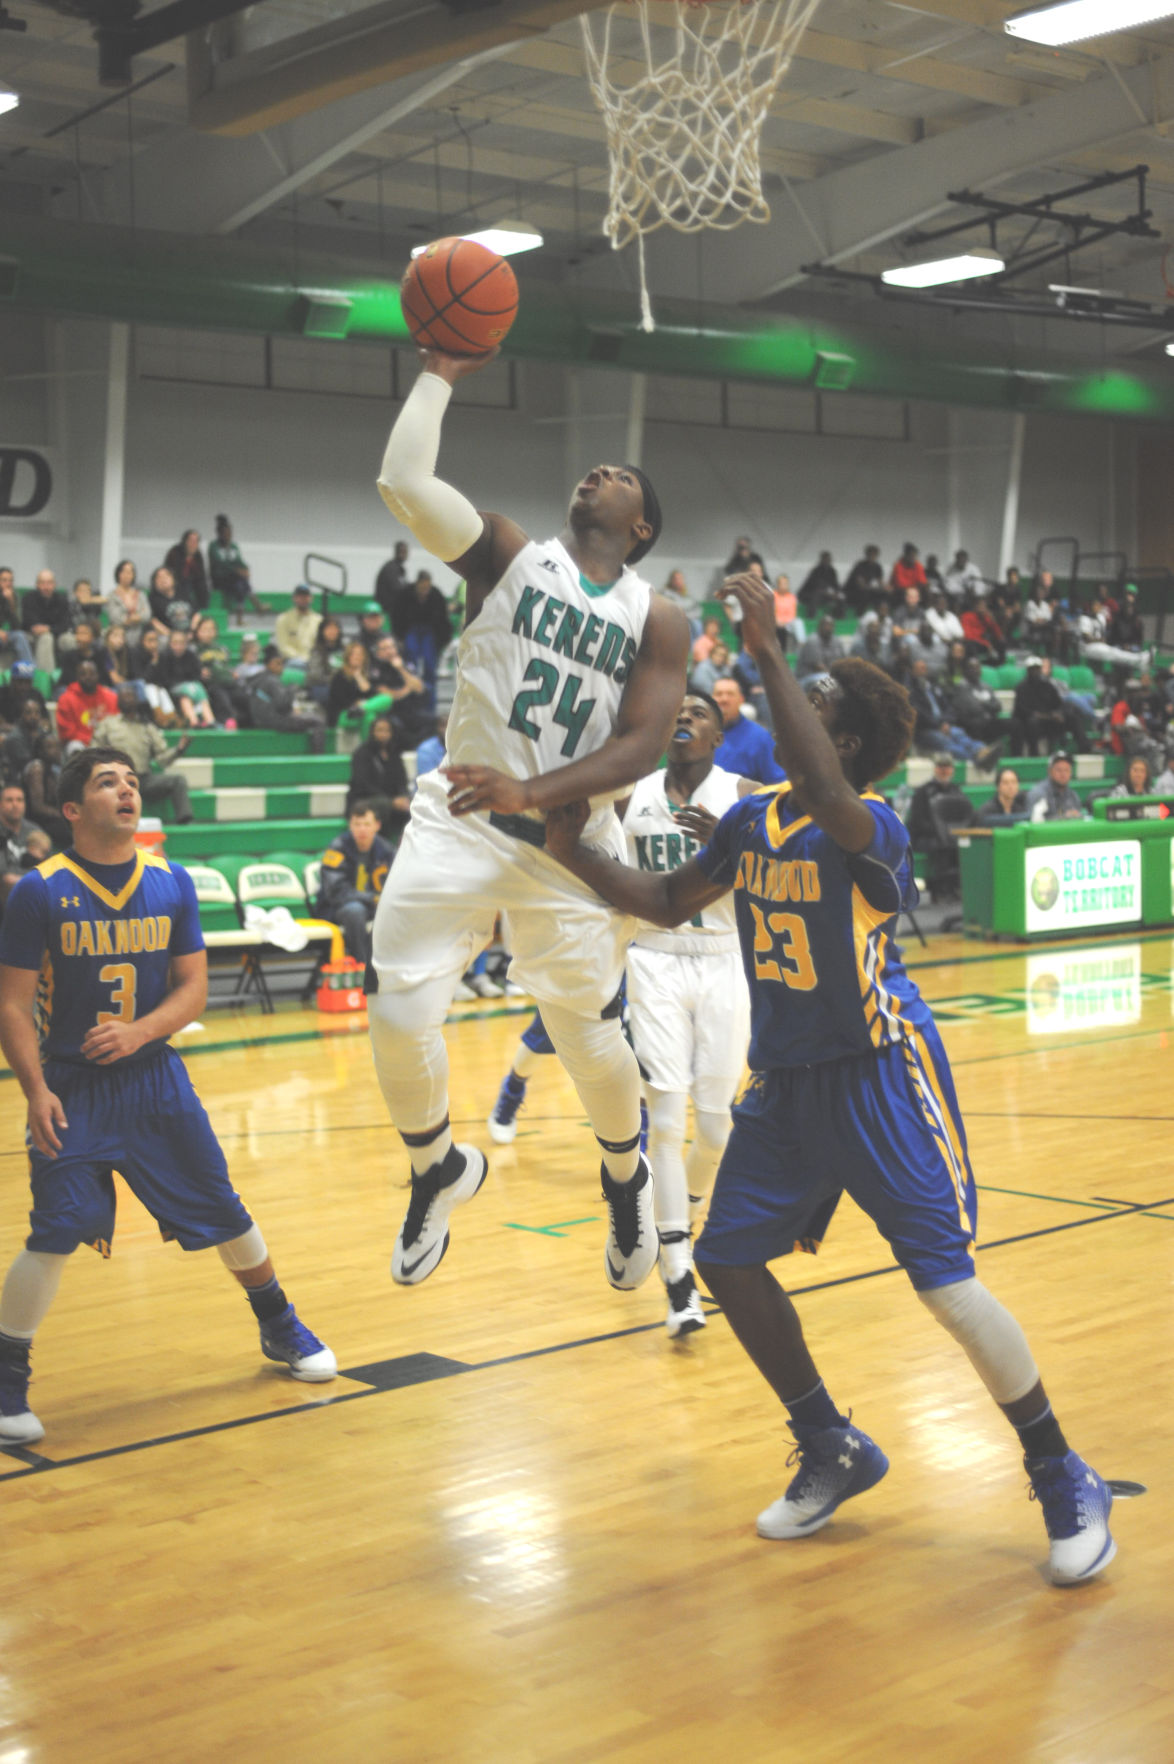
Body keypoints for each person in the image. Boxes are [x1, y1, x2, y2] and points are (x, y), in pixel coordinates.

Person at [543, 573, 1116, 1587]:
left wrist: (765, 648)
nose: (787, 699)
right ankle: (830, 1444)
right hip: (787, 1084)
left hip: (881, 1076)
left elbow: (836, 802)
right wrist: (570, 849)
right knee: (724, 1259)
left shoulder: (873, 831)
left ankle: (1059, 1467)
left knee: (944, 1285)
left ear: (840, 743)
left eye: (813, 702)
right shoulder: (752, 820)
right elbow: (669, 901)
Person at [369, 344, 689, 1293]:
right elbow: (403, 478)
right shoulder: (510, 553)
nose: (598, 472)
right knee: (397, 1010)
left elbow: (642, 748)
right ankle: (437, 1170)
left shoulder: (657, 615)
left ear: (639, 527)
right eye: (596, 468)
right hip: (462, 817)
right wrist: (440, 372)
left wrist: (536, 796)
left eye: (620, 476)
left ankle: (625, 1179)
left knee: (591, 1036)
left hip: (567, 846)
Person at [0, 746, 336, 1447]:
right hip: (71, 1085)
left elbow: (193, 988)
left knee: (221, 1206)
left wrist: (140, 1032)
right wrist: (33, 1091)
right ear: (71, 810)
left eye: (130, 780)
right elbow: (12, 1003)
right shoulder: (37, 890)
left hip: (155, 1079)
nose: (127, 790)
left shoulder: (172, 881)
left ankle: (280, 1326)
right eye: (106, 783)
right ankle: (6, 1378)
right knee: (59, 1227)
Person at [619, 688, 753, 1336]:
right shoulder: (631, 794)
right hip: (654, 957)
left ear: (718, 737)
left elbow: (781, 870)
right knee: (666, 1122)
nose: (684, 719)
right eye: (676, 711)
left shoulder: (745, 795)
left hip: (726, 959)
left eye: (699, 713)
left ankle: (689, 1205)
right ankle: (677, 1274)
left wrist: (733, 848)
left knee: (719, 1128)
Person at [94, 686, 194, 824]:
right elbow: (94, 752)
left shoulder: (147, 727)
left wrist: (179, 750)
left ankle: (184, 821)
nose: (127, 699)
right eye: (124, 696)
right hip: (115, 779)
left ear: (137, 701)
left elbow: (162, 759)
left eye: (130, 696)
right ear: (118, 701)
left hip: (143, 780)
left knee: (178, 780)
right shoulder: (108, 724)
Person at [316, 801, 394, 963]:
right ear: (350, 826)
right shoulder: (337, 848)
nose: (362, 829)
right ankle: (363, 965)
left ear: (377, 826)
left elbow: (395, 884)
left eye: (367, 824)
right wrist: (371, 899)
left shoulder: (386, 850)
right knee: (355, 911)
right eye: (357, 824)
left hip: (373, 905)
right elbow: (336, 892)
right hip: (336, 907)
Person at [390, 568, 453, 706]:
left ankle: (429, 703)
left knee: (430, 666)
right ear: (417, 584)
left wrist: (442, 642)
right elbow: (397, 616)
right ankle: (411, 700)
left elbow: (443, 620)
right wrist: (399, 637)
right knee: (410, 663)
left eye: (427, 587)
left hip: (429, 633)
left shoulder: (436, 595)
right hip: (411, 630)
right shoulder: (405, 594)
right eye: (422, 586)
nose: (425, 590)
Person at [249, 646, 326, 751]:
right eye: (277, 663)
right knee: (318, 721)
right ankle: (318, 758)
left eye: (282, 663)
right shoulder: (272, 680)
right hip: (274, 721)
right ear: (268, 665)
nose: (281, 667)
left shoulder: (260, 678)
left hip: (262, 720)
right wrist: (292, 689)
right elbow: (283, 704)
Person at [347, 713, 411, 837]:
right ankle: (382, 842)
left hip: (392, 799)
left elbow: (402, 779)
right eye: (379, 730)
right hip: (364, 799)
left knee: (414, 804)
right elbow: (362, 784)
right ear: (372, 732)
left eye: (387, 730)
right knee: (382, 805)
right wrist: (391, 801)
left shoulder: (394, 753)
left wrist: (403, 796)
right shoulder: (362, 753)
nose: (383, 734)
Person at [710, 678, 784, 785]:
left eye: (730, 694)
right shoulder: (701, 735)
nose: (724, 699)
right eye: (719, 694)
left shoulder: (760, 738)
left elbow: (777, 784)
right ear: (711, 699)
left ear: (741, 699)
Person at [208, 515, 265, 621]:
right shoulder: (214, 546)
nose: (228, 536)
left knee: (241, 585)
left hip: (235, 580)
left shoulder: (234, 547)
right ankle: (256, 605)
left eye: (230, 533)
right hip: (220, 579)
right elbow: (220, 563)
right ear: (219, 534)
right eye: (225, 534)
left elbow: (239, 561)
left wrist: (245, 569)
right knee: (241, 581)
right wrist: (237, 571)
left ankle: (240, 617)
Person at [55, 660, 117, 754]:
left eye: (92, 674)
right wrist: (93, 742)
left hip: (107, 743)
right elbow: (67, 733)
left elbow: (116, 725)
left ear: (98, 675)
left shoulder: (111, 697)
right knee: (74, 747)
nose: (88, 677)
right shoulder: (66, 700)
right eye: (83, 674)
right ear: (77, 677)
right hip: (82, 745)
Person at [1010, 658, 1068, 758]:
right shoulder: (1021, 687)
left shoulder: (1047, 685)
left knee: (1070, 717)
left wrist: (1057, 713)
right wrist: (1043, 716)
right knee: (1032, 722)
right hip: (1028, 721)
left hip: (1047, 719)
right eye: (1032, 669)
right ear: (1028, 670)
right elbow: (1022, 710)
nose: (1035, 672)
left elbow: (1058, 703)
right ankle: (1034, 753)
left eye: (1037, 669)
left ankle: (1083, 748)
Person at [20, 570, 71, 674]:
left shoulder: (62, 600)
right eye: (42, 583)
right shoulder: (29, 598)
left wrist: (49, 629)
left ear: (55, 584)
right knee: (46, 638)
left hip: (56, 633)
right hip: (32, 634)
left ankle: (72, 676)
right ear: (37, 584)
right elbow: (29, 621)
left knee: (71, 640)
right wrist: (46, 629)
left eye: (49, 583)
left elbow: (65, 624)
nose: (46, 587)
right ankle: (45, 677)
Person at [0, 782, 39, 909]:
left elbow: (48, 868)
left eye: (19, 800)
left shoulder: (35, 831)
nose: (15, 805)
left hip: (31, 897)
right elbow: (5, 878)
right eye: (9, 800)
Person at [326, 639, 378, 728]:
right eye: (354, 654)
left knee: (386, 699)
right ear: (348, 656)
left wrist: (358, 676)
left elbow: (373, 696)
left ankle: (362, 710)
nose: (357, 657)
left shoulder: (367, 676)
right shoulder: (340, 676)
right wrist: (357, 704)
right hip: (343, 714)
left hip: (362, 712)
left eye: (360, 654)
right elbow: (340, 701)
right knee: (369, 717)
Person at [1026, 751, 1085, 822]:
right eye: (1059, 770)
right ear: (1050, 771)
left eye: (1066, 770)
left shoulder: (1073, 795)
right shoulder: (1038, 793)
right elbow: (1035, 821)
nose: (1063, 774)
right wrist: (1064, 817)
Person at [274, 584, 321, 669]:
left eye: (306, 596)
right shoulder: (283, 619)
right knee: (296, 664)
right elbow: (283, 647)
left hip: (314, 661)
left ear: (311, 598)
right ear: (294, 598)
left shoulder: (319, 620)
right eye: (300, 596)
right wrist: (302, 658)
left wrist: (312, 659)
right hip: (292, 660)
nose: (303, 599)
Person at [107, 560, 152, 648]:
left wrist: (138, 617)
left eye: (130, 572)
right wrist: (131, 619)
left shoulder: (140, 594)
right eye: (124, 571)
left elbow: (147, 614)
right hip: (119, 633)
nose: (127, 575)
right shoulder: (112, 595)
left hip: (139, 633)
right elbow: (115, 617)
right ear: (118, 574)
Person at [163, 530, 209, 614]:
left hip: (193, 581)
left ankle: (202, 610)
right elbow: (171, 572)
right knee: (185, 586)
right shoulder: (174, 552)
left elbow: (201, 574)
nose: (193, 544)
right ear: (185, 541)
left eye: (196, 541)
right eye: (191, 541)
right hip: (177, 580)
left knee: (203, 586)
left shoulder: (198, 555)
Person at [796, 615, 846, 683]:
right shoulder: (812, 641)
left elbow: (843, 661)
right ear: (819, 627)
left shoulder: (836, 641)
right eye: (826, 625)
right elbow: (818, 666)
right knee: (826, 679)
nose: (828, 628)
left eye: (831, 626)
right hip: (807, 677)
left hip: (828, 675)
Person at [375, 539, 411, 621]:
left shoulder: (399, 569)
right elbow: (397, 588)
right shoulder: (391, 568)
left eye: (405, 552)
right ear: (396, 552)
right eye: (401, 551)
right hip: (387, 608)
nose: (404, 554)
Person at [843, 544, 884, 613]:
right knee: (865, 594)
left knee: (882, 594)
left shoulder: (877, 567)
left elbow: (880, 582)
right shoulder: (860, 565)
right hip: (854, 591)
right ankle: (860, 614)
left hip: (869, 589)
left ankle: (878, 614)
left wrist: (882, 588)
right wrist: (873, 588)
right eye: (870, 555)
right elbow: (861, 584)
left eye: (874, 555)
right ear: (867, 555)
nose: (872, 557)